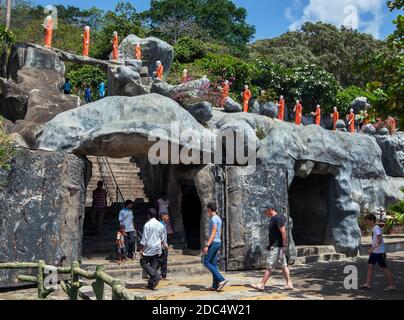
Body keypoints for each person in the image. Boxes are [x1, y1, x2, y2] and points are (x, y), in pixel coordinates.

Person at [252, 202, 294, 292]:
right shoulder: (273, 219)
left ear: (270, 209)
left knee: (269, 266)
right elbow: (275, 234)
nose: (264, 213)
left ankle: (262, 285)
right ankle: (289, 284)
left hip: (277, 247)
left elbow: (283, 232)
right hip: (276, 246)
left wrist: (284, 245)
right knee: (284, 265)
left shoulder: (277, 218)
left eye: (265, 211)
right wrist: (270, 244)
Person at [360, 214, 396, 291]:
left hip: (380, 253)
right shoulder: (374, 228)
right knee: (370, 266)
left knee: (385, 268)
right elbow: (375, 240)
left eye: (368, 222)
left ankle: (392, 285)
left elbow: (379, 241)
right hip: (374, 253)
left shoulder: (377, 229)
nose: (367, 223)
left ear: (372, 221)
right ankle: (368, 284)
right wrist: (372, 249)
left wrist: (371, 249)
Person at [202, 202, 228, 292]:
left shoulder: (213, 219)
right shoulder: (219, 219)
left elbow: (213, 233)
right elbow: (219, 232)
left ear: (209, 209)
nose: (207, 211)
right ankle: (214, 285)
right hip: (217, 242)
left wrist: (207, 245)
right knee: (213, 264)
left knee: (206, 262)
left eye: (207, 210)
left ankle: (221, 279)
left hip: (213, 243)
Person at [140, 208, 165, 290]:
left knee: (143, 263)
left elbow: (144, 239)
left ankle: (156, 276)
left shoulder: (147, 225)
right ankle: (151, 284)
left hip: (149, 248)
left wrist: (141, 249)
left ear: (148, 215)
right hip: (157, 248)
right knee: (153, 267)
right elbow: (162, 238)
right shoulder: (160, 225)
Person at [158, 212, 170, 280]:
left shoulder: (164, 225)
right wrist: (164, 243)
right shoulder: (160, 225)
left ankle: (163, 275)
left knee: (164, 260)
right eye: (166, 216)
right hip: (161, 246)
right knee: (160, 260)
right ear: (162, 217)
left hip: (164, 245)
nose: (168, 218)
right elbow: (160, 236)